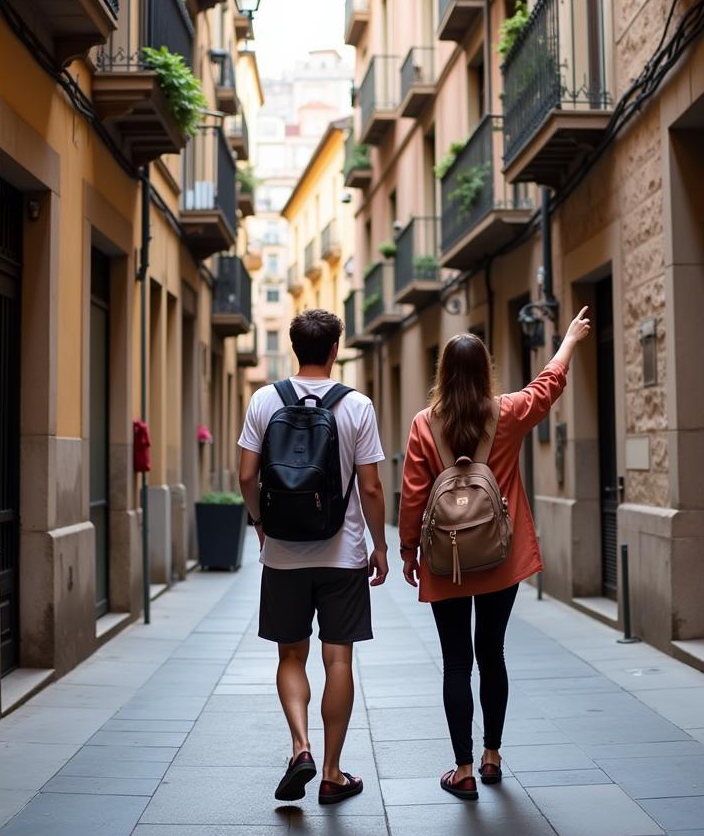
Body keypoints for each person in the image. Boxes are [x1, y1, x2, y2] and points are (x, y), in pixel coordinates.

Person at [398, 308, 592, 800]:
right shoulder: (507, 413)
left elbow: (414, 495)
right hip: (501, 559)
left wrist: (406, 552)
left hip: (446, 563)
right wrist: (568, 339)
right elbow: (548, 385)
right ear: (486, 371)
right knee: (493, 654)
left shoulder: (425, 424)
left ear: (442, 373)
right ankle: (491, 757)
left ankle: (461, 769)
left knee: (455, 664)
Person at [238, 308, 389, 806]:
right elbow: (369, 486)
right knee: (338, 656)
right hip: (342, 554)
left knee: (290, 655)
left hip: (283, 554)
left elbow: (244, 476)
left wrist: (261, 524)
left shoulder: (264, 400)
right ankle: (331, 771)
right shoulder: (357, 406)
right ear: (334, 349)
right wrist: (380, 545)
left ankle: (300, 746)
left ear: (294, 346)